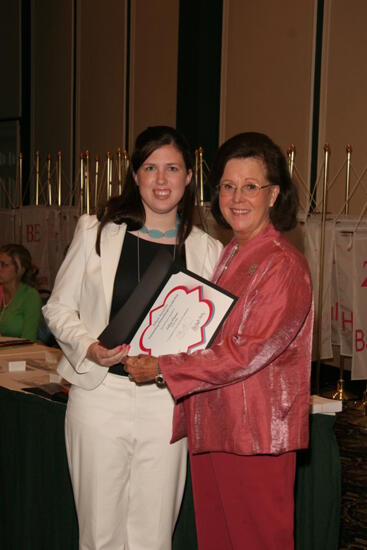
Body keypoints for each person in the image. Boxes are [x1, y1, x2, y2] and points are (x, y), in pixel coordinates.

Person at [126, 132, 314, 550]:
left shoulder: (283, 264)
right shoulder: (230, 253)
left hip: (256, 435)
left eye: (251, 186)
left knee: (256, 541)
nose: (237, 197)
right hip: (215, 424)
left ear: (274, 194)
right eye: (228, 186)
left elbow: (248, 351)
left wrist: (163, 366)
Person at [43, 125, 223, 550]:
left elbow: (211, 334)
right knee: (99, 532)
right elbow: (57, 308)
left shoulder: (206, 250)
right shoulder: (95, 232)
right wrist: (89, 346)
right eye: (150, 168)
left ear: (190, 176)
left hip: (165, 401)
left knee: (154, 533)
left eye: (173, 168)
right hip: (99, 396)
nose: (161, 180)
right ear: (135, 175)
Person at [0, 243, 42, 341]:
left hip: (20, 353)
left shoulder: (30, 296)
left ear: (20, 270)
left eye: (4, 265)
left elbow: (28, 340)